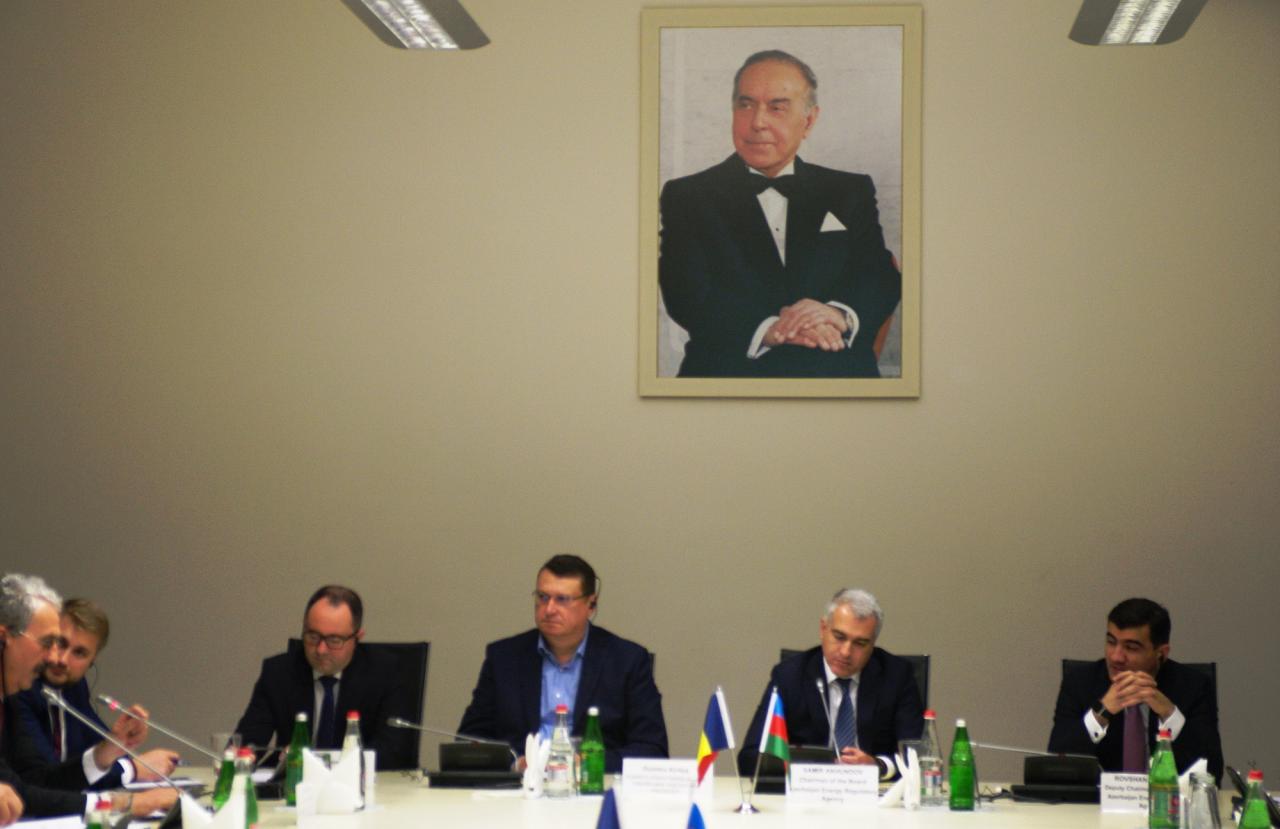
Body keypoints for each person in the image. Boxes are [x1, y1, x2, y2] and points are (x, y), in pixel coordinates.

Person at [659, 49, 902, 378]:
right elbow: (684, 291)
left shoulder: (849, 190)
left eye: (777, 107)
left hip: (836, 372)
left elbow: (879, 273)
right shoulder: (686, 196)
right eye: (746, 105)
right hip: (729, 375)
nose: (757, 122)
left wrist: (836, 314)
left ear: (809, 120)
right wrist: (770, 330)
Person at [457, 555, 668, 772]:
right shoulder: (504, 658)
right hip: (521, 785)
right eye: (543, 597)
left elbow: (652, 750)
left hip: (592, 785)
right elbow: (469, 742)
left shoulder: (627, 661)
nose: (549, 609)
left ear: (591, 605)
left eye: (562, 599)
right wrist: (515, 764)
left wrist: (585, 763)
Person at [0, 574, 175, 823]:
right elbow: (29, 791)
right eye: (48, 643)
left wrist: (109, 751)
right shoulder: (21, 696)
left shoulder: (59, 690)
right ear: (3, 639)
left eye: (79, 653)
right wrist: (126, 803)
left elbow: (33, 785)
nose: (55, 658)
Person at [737, 588, 923, 779]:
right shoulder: (789, 677)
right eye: (839, 637)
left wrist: (879, 766)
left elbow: (918, 757)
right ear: (823, 629)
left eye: (860, 643)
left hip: (875, 792)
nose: (846, 652)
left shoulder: (897, 677)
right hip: (808, 791)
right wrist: (810, 770)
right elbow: (750, 759)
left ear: (873, 643)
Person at [234, 585, 418, 770]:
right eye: (313, 637)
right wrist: (240, 760)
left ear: (357, 637)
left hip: (362, 781)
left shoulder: (388, 673)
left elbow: (393, 751)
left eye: (334, 640)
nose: (321, 650)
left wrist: (323, 763)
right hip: (294, 781)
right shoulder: (278, 672)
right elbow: (248, 740)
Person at [1048, 597, 1223, 782]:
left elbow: (1211, 772)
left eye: (1131, 647)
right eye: (1111, 642)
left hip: (1165, 797)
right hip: (1099, 798)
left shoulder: (1193, 686)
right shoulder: (1079, 682)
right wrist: (1101, 712)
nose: (1116, 657)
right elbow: (1056, 765)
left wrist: (1170, 715)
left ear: (1161, 653)